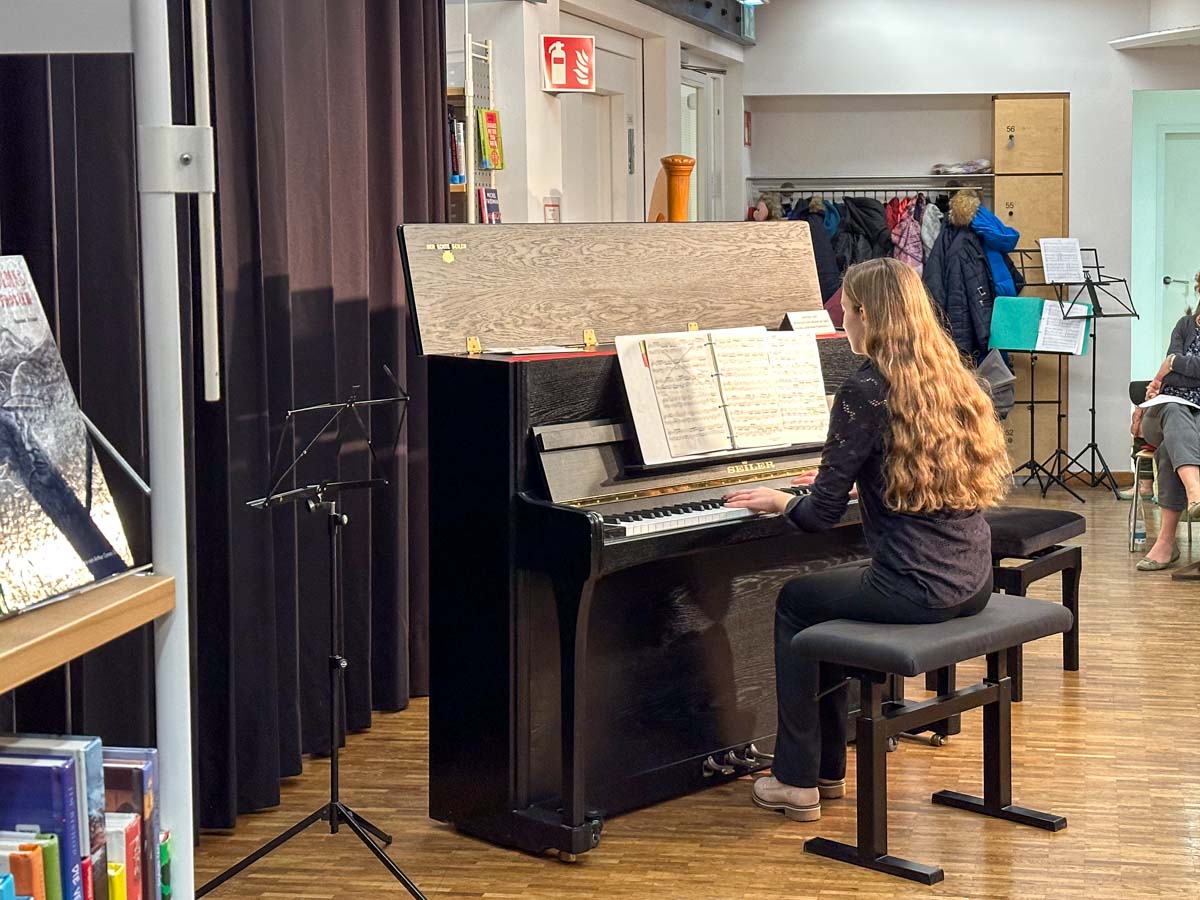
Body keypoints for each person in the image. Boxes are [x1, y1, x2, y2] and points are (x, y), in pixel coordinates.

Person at [723, 257, 1010, 822]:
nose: (842, 323)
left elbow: (821, 517)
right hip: (972, 581)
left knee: (794, 603)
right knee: (823, 608)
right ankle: (827, 770)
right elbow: (895, 470)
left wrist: (782, 500)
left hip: (914, 589)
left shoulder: (865, 390)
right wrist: (844, 476)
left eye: (847, 311)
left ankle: (797, 780)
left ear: (869, 317)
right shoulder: (949, 376)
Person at [1136, 280, 1200, 571]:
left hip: (1191, 422)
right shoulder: (1185, 325)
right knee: (1173, 409)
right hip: (1162, 412)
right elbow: (1170, 376)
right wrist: (1172, 367)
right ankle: (1195, 493)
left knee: (1167, 451)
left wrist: (1174, 363)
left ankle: (1165, 543)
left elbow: (1171, 368)